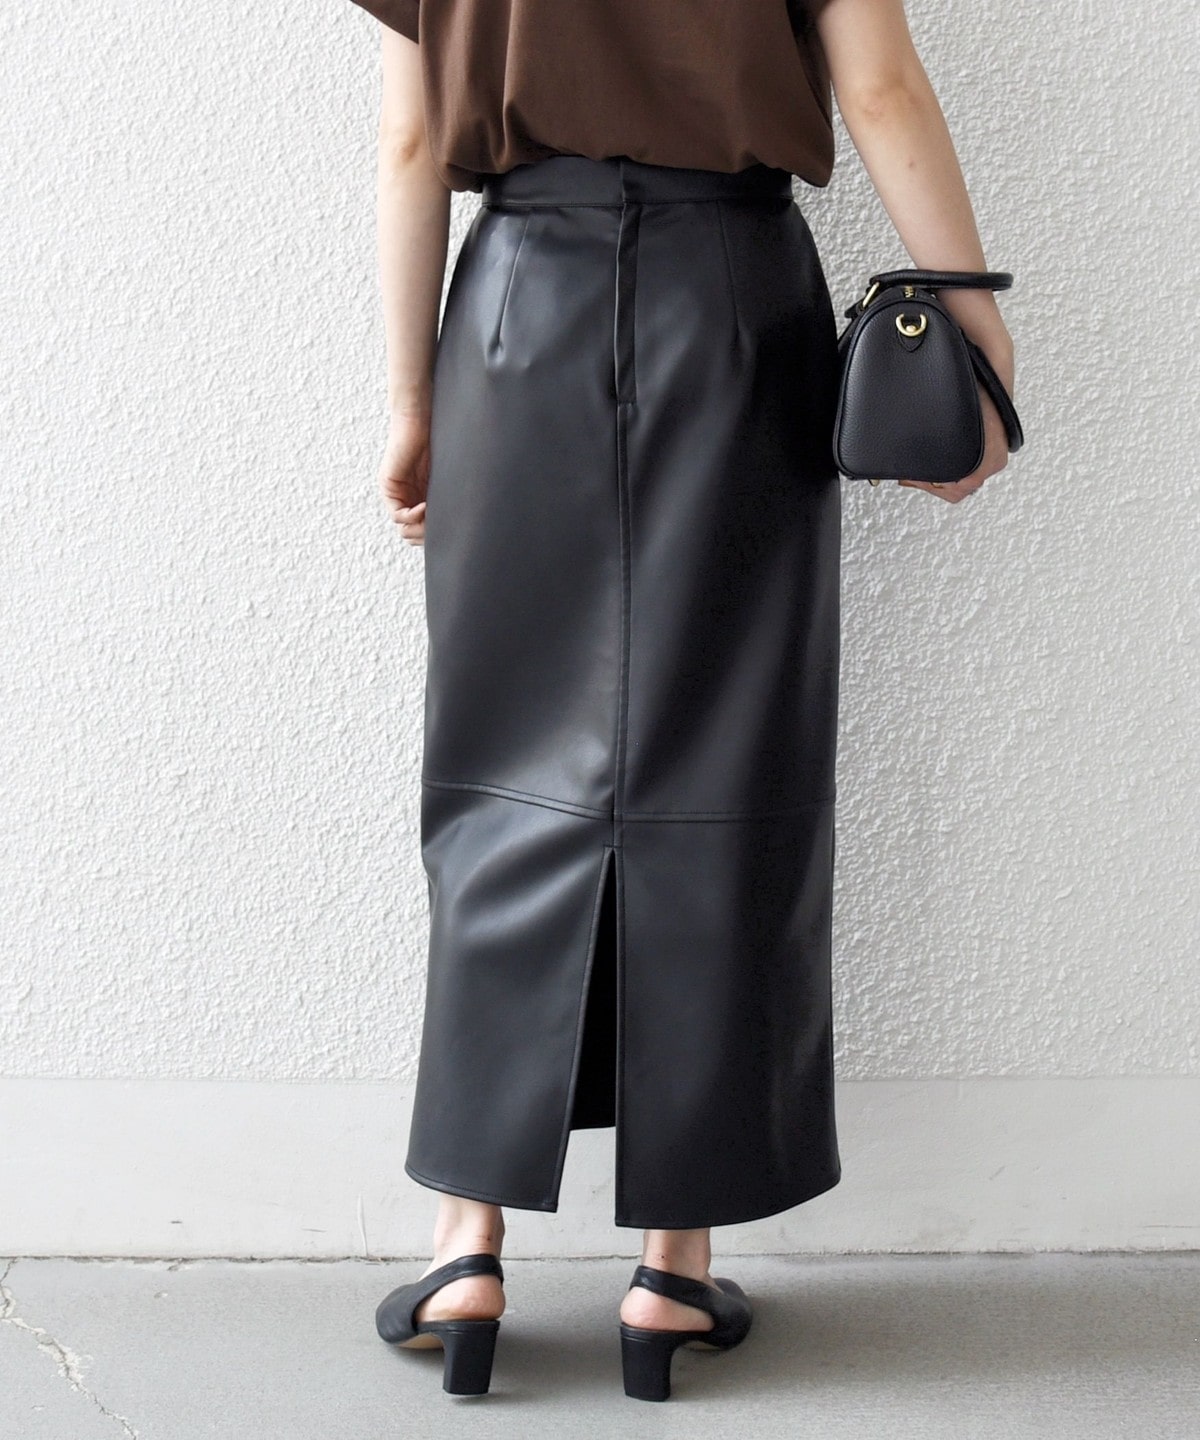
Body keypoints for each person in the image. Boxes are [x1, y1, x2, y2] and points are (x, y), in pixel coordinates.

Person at [349, 0, 1015, 1403]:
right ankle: (672, 1269)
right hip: (734, 306)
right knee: (727, 760)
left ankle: (466, 1248)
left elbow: (412, 139)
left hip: (516, 306)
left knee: (497, 765)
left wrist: (411, 397)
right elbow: (880, 87)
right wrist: (971, 308)